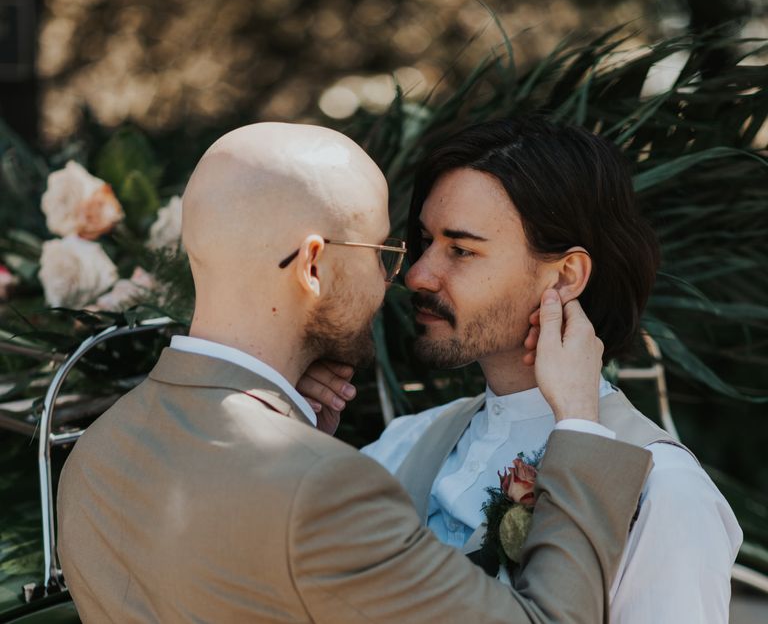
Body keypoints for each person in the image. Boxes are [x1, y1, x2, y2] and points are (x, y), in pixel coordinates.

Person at [56, 122, 653, 624]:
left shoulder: (97, 451)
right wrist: (579, 426)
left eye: (458, 249)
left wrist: (295, 435)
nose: (407, 278)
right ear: (313, 265)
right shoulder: (324, 490)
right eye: (383, 254)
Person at [301, 117, 743, 624]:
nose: (419, 275)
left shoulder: (663, 491)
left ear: (565, 276)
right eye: (424, 241)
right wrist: (300, 449)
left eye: (461, 250)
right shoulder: (405, 443)